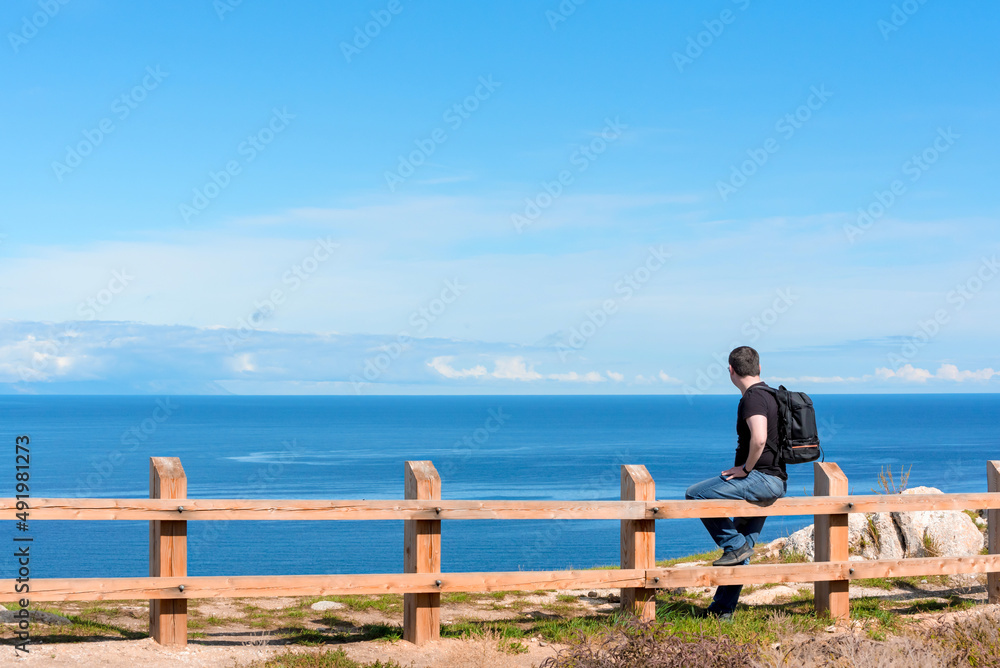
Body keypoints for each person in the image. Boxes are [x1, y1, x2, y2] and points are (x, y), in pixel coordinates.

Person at [685, 345, 788, 619]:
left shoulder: (754, 398)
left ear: (730, 370)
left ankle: (733, 545)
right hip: (774, 481)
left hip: (760, 479)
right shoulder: (773, 395)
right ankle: (722, 612)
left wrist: (745, 468)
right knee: (744, 549)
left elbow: (760, 438)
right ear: (759, 368)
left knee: (695, 495)